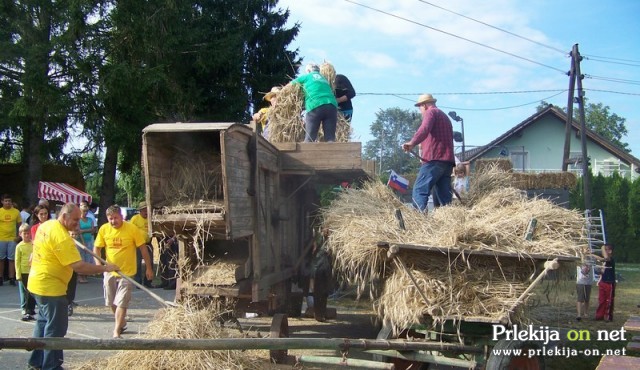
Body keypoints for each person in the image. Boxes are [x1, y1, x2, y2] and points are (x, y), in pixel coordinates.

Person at [27, 203, 118, 370]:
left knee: (43, 322)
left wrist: (69, 235)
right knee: (55, 329)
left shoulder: (47, 225)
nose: (78, 223)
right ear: (64, 216)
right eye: (75, 220)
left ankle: (36, 362)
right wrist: (105, 268)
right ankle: (51, 366)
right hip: (51, 288)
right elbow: (79, 266)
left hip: (36, 284)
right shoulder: (61, 237)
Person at [94, 204, 153, 338]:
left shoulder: (131, 229)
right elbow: (97, 248)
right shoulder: (104, 229)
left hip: (127, 272)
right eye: (110, 219)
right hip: (109, 271)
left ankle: (116, 330)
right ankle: (121, 322)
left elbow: (143, 249)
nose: (113, 221)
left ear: (121, 216)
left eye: (115, 218)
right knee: (111, 302)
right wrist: (99, 265)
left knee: (121, 301)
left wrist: (148, 268)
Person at [402, 94, 455, 212]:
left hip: (434, 159)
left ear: (424, 105)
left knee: (419, 190)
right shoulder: (445, 117)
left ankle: (419, 220)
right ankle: (449, 220)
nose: (420, 111)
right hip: (447, 162)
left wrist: (412, 143)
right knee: (444, 196)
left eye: (419, 107)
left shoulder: (430, 113)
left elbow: (424, 129)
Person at [292, 63, 338, 142]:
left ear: (309, 70)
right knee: (330, 138)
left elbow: (290, 86)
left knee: (310, 137)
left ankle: (306, 153)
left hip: (315, 106)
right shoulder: (324, 79)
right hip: (331, 106)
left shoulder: (306, 77)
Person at [130, 201, 154, 287]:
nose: (146, 212)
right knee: (137, 263)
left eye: (147, 210)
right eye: (144, 210)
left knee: (150, 262)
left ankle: (148, 282)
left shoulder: (150, 219)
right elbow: (130, 231)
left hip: (148, 243)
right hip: (137, 245)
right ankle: (138, 282)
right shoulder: (135, 219)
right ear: (140, 211)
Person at [15, 223, 36, 321]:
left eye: (28, 233)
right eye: (25, 234)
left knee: (32, 291)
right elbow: (17, 261)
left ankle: (31, 309)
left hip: (33, 271)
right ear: (20, 234)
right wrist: (18, 274)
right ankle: (27, 310)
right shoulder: (19, 246)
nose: (27, 235)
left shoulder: (33, 244)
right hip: (24, 272)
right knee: (27, 292)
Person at [0, 193, 22, 286]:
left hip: (12, 239)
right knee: (1, 259)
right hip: (1, 238)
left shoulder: (16, 212)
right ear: (2, 202)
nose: (8, 203)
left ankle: (12, 278)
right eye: (6, 201)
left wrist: (19, 235)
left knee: (11, 259)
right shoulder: (0, 211)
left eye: (9, 201)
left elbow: (20, 225)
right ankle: (0, 278)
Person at [595, 243, 616, 321]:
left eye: (606, 250)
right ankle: (599, 315)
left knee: (608, 300)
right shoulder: (605, 260)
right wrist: (590, 254)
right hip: (603, 281)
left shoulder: (610, 259)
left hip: (609, 283)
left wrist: (602, 247)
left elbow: (606, 257)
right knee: (601, 300)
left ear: (610, 251)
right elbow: (600, 259)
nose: (603, 251)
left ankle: (607, 316)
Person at [77, 201, 96, 284]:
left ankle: (85, 275)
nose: (85, 213)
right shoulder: (78, 220)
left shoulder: (90, 219)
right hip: (81, 241)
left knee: (88, 258)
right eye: (83, 211)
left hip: (89, 240)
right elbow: (79, 232)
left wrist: (84, 230)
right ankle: (80, 276)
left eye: (86, 211)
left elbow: (93, 230)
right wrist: (83, 241)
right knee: (81, 258)